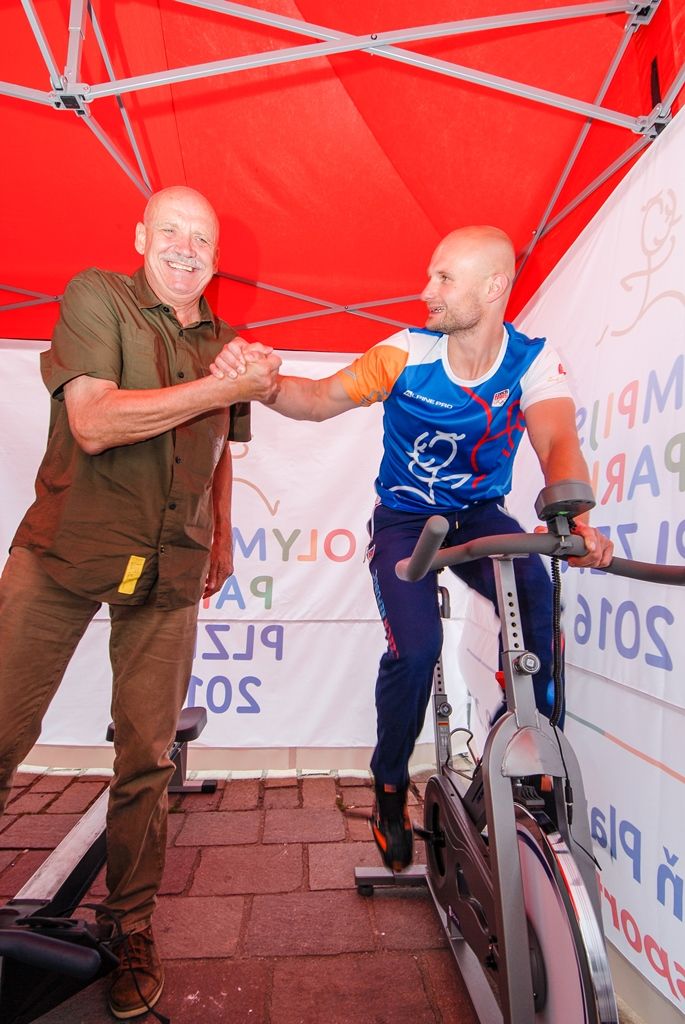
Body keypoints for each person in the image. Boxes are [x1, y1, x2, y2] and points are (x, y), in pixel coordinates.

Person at [211, 225, 614, 873]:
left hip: (476, 516)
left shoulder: (533, 361)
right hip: (404, 520)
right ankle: (390, 786)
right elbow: (316, 401)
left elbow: (556, 441)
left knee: (537, 599)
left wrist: (574, 518)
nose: (426, 290)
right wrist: (262, 384)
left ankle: (520, 752)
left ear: (493, 286)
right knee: (417, 649)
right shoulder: (404, 353)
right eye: (430, 275)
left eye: (443, 278)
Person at [0, 186, 281, 1020]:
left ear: (216, 258)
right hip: (65, 550)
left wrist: (220, 533)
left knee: (148, 757)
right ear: (140, 237)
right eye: (172, 232)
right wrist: (221, 387)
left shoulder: (224, 343)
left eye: (203, 239)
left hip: (169, 564)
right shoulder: (97, 295)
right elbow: (92, 422)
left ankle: (129, 926)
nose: (187, 249)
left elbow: (221, 453)